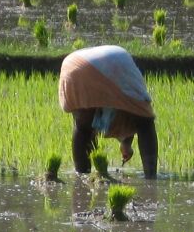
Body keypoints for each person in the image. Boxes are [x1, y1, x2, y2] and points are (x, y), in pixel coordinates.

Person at [58, 44, 158, 178]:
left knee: (83, 128)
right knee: (145, 122)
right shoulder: (130, 78)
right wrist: (126, 144)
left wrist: (126, 145)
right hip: (112, 62)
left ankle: (82, 178)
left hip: (71, 67)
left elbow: (126, 114)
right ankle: (151, 177)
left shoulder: (125, 92)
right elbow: (137, 115)